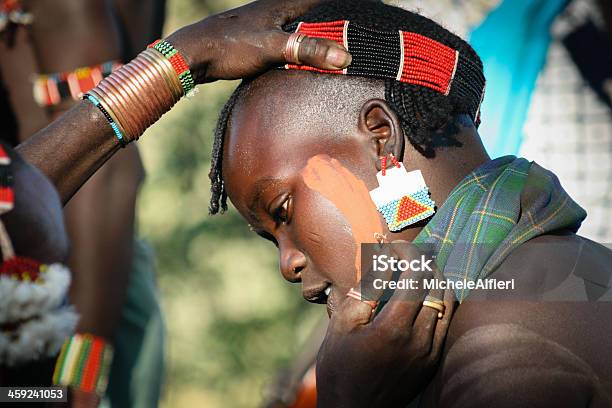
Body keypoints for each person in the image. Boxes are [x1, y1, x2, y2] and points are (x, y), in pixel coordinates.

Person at [11, 0, 611, 407]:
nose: (288, 266)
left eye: (283, 212)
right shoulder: (541, 268)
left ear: (383, 142)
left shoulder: (503, 352)